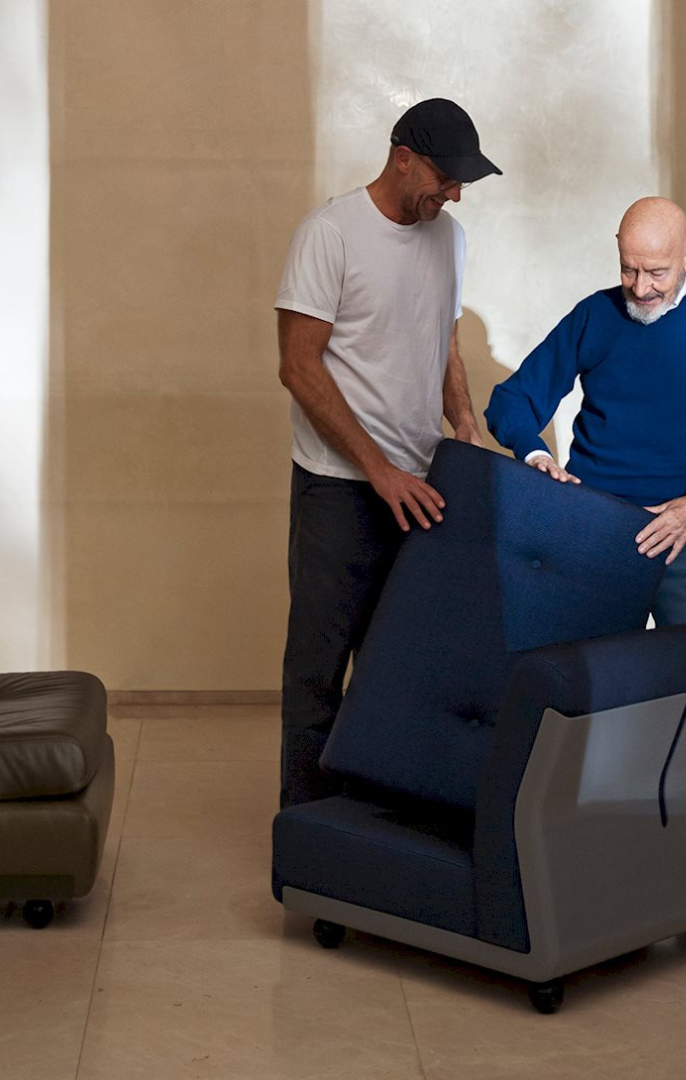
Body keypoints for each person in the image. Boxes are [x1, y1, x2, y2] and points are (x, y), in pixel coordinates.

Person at [275, 98, 501, 807]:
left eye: (463, 182)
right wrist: (380, 471)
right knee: (318, 674)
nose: (455, 194)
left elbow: (443, 339)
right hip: (340, 488)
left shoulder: (450, 237)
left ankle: (374, 830)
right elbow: (298, 366)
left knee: (398, 674)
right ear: (403, 158)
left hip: (422, 489)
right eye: (446, 177)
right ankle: (309, 836)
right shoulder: (330, 234)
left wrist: (464, 426)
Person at [485, 196, 686, 627]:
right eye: (629, 269)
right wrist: (536, 457)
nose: (641, 289)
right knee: (586, 665)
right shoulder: (594, 315)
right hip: (596, 526)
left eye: (657, 272)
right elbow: (512, 401)